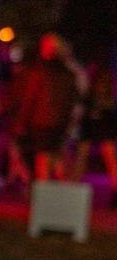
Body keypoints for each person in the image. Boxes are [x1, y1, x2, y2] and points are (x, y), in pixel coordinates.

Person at [15, 33, 80, 181]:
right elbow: (73, 99)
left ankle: (45, 197)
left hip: (43, 122)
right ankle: (61, 194)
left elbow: (30, 98)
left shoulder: (41, 71)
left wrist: (22, 122)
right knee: (56, 157)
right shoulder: (67, 72)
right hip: (59, 122)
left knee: (43, 159)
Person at [73, 53, 117, 208]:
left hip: (102, 119)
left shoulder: (103, 77)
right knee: (87, 154)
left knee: (108, 155)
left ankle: (73, 191)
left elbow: (107, 100)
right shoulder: (93, 75)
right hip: (96, 120)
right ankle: (72, 192)